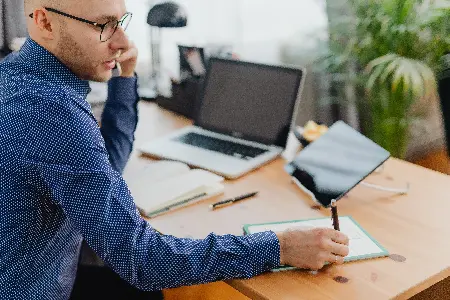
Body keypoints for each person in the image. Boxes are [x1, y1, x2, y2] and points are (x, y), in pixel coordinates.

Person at [0, 0, 350, 299]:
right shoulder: (51, 111)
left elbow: (106, 164)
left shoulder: (15, 76)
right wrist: (280, 246)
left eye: (120, 21)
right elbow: (141, 259)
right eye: (102, 25)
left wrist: (125, 77)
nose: (122, 41)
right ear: (44, 22)